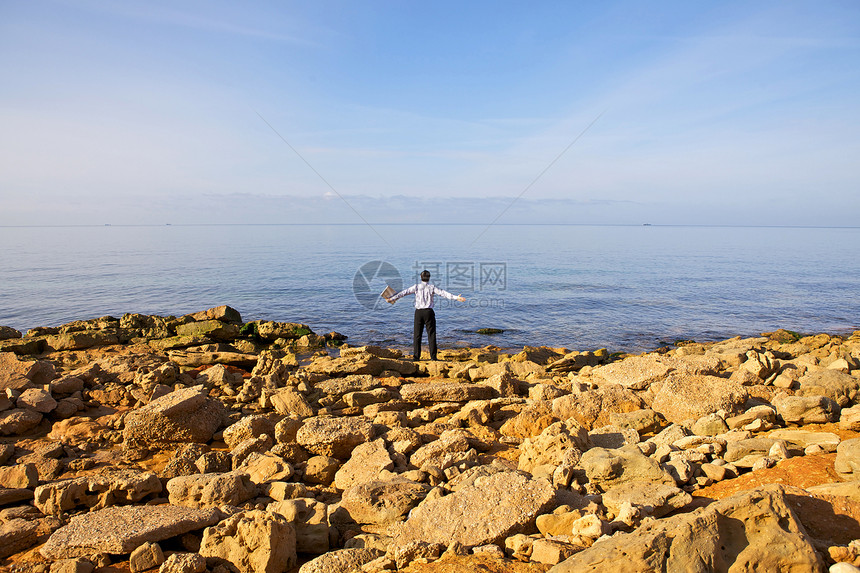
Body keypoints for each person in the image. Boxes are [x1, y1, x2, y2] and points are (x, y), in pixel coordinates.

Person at [386, 270, 465, 361]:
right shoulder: (432, 287)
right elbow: (444, 293)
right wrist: (457, 298)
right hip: (429, 312)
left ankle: (416, 357)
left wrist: (391, 299)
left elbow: (403, 293)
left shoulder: (416, 287)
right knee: (431, 335)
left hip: (419, 313)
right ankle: (433, 357)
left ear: (421, 277)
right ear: (429, 278)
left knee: (417, 335)